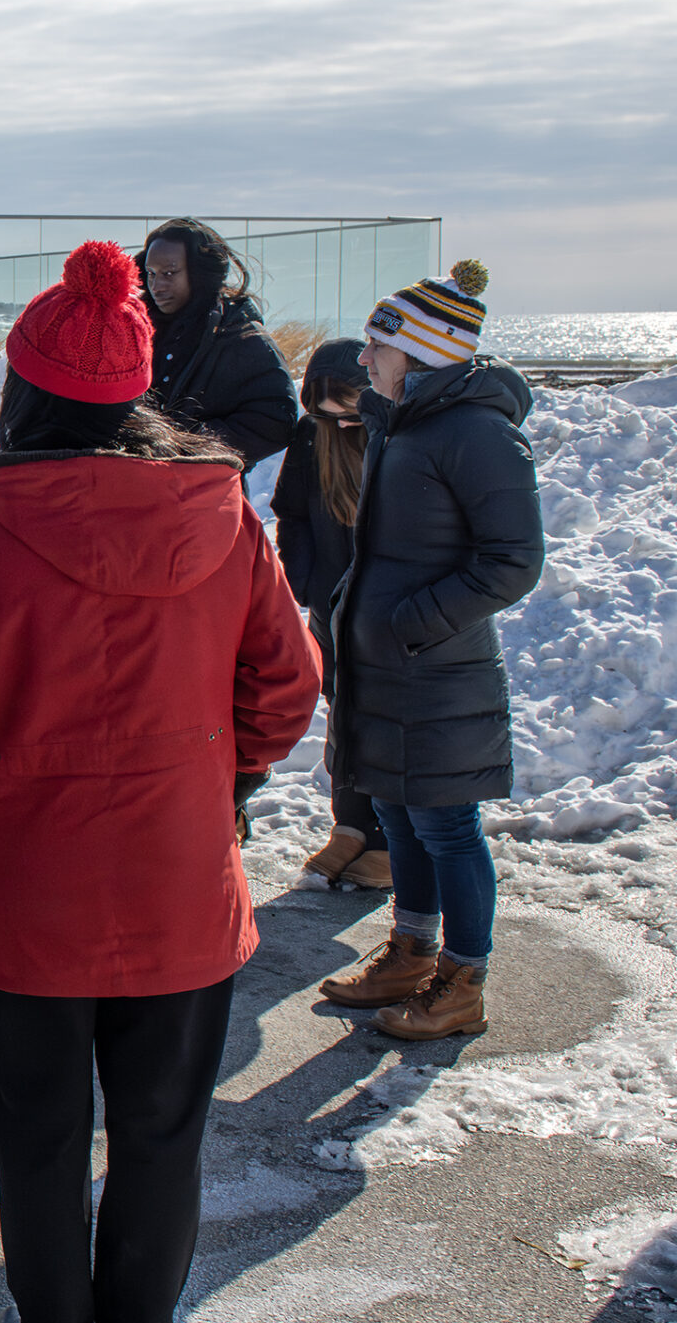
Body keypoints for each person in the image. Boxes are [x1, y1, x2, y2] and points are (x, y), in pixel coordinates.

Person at [0, 241, 320, 1323]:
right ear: (134, 391)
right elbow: (287, 681)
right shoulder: (221, 511)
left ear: (27, 390)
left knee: (37, 1131)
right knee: (163, 1128)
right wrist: (219, 779)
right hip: (181, 877)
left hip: (33, 887)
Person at [316, 261, 541, 1042]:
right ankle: (410, 951)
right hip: (388, 666)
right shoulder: (401, 423)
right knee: (395, 811)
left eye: (379, 345)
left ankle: (462, 981)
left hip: (437, 671)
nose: (365, 359)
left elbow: (513, 559)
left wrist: (410, 622)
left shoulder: (476, 432)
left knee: (446, 823)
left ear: (419, 353)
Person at [271, 338, 390, 889]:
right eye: (321, 408)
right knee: (340, 713)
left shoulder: (391, 439)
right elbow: (290, 512)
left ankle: (389, 840)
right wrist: (307, 584)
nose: (334, 420)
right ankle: (351, 827)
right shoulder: (311, 436)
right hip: (331, 604)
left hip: (387, 610)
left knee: (384, 720)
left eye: (345, 407)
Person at [138, 218, 298, 466]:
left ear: (200, 272)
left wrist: (187, 443)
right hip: (142, 490)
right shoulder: (137, 332)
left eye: (169, 273)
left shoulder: (243, 337)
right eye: (151, 274)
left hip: (208, 496)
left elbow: (275, 422)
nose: (157, 285)